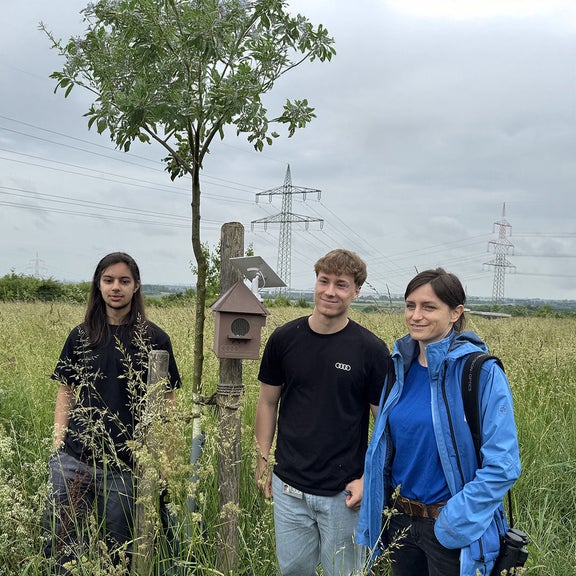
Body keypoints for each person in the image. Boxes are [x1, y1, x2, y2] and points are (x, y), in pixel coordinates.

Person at [357, 268, 521, 576]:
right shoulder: (398, 368)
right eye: (410, 305)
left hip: (452, 530)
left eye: (428, 307)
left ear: (456, 313)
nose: (416, 315)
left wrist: (453, 522)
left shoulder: (479, 373)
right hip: (401, 523)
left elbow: (504, 465)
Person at [254, 248, 392, 576]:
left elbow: (385, 423)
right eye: (324, 281)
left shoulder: (370, 350)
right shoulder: (284, 339)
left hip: (344, 493)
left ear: (356, 292)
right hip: (289, 487)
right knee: (293, 572)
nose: (330, 291)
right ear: (315, 282)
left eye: (341, 285)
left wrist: (368, 480)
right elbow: (267, 402)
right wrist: (262, 461)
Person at [43, 252, 181, 573]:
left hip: (124, 468)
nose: (115, 287)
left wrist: (164, 460)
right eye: (108, 280)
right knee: (62, 547)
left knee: (118, 552)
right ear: (99, 285)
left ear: (136, 287)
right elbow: (66, 389)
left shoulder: (155, 339)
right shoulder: (81, 336)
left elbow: (166, 402)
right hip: (74, 461)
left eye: (123, 281)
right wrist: (57, 443)